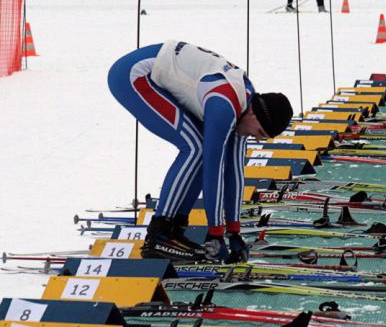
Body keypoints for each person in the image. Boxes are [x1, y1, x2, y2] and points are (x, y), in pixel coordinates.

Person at [107, 40, 293, 262]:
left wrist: (234, 232)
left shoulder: (246, 108)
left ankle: (175, 228)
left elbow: (234, 171)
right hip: (134, 75)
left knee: (201, 148)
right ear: (254, 115)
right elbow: (213, 172)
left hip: (159, 70)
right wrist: (216, 233)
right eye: (259, 133)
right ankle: (159, 233)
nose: (254, 138)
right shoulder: (225, 105)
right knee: (195, 147)